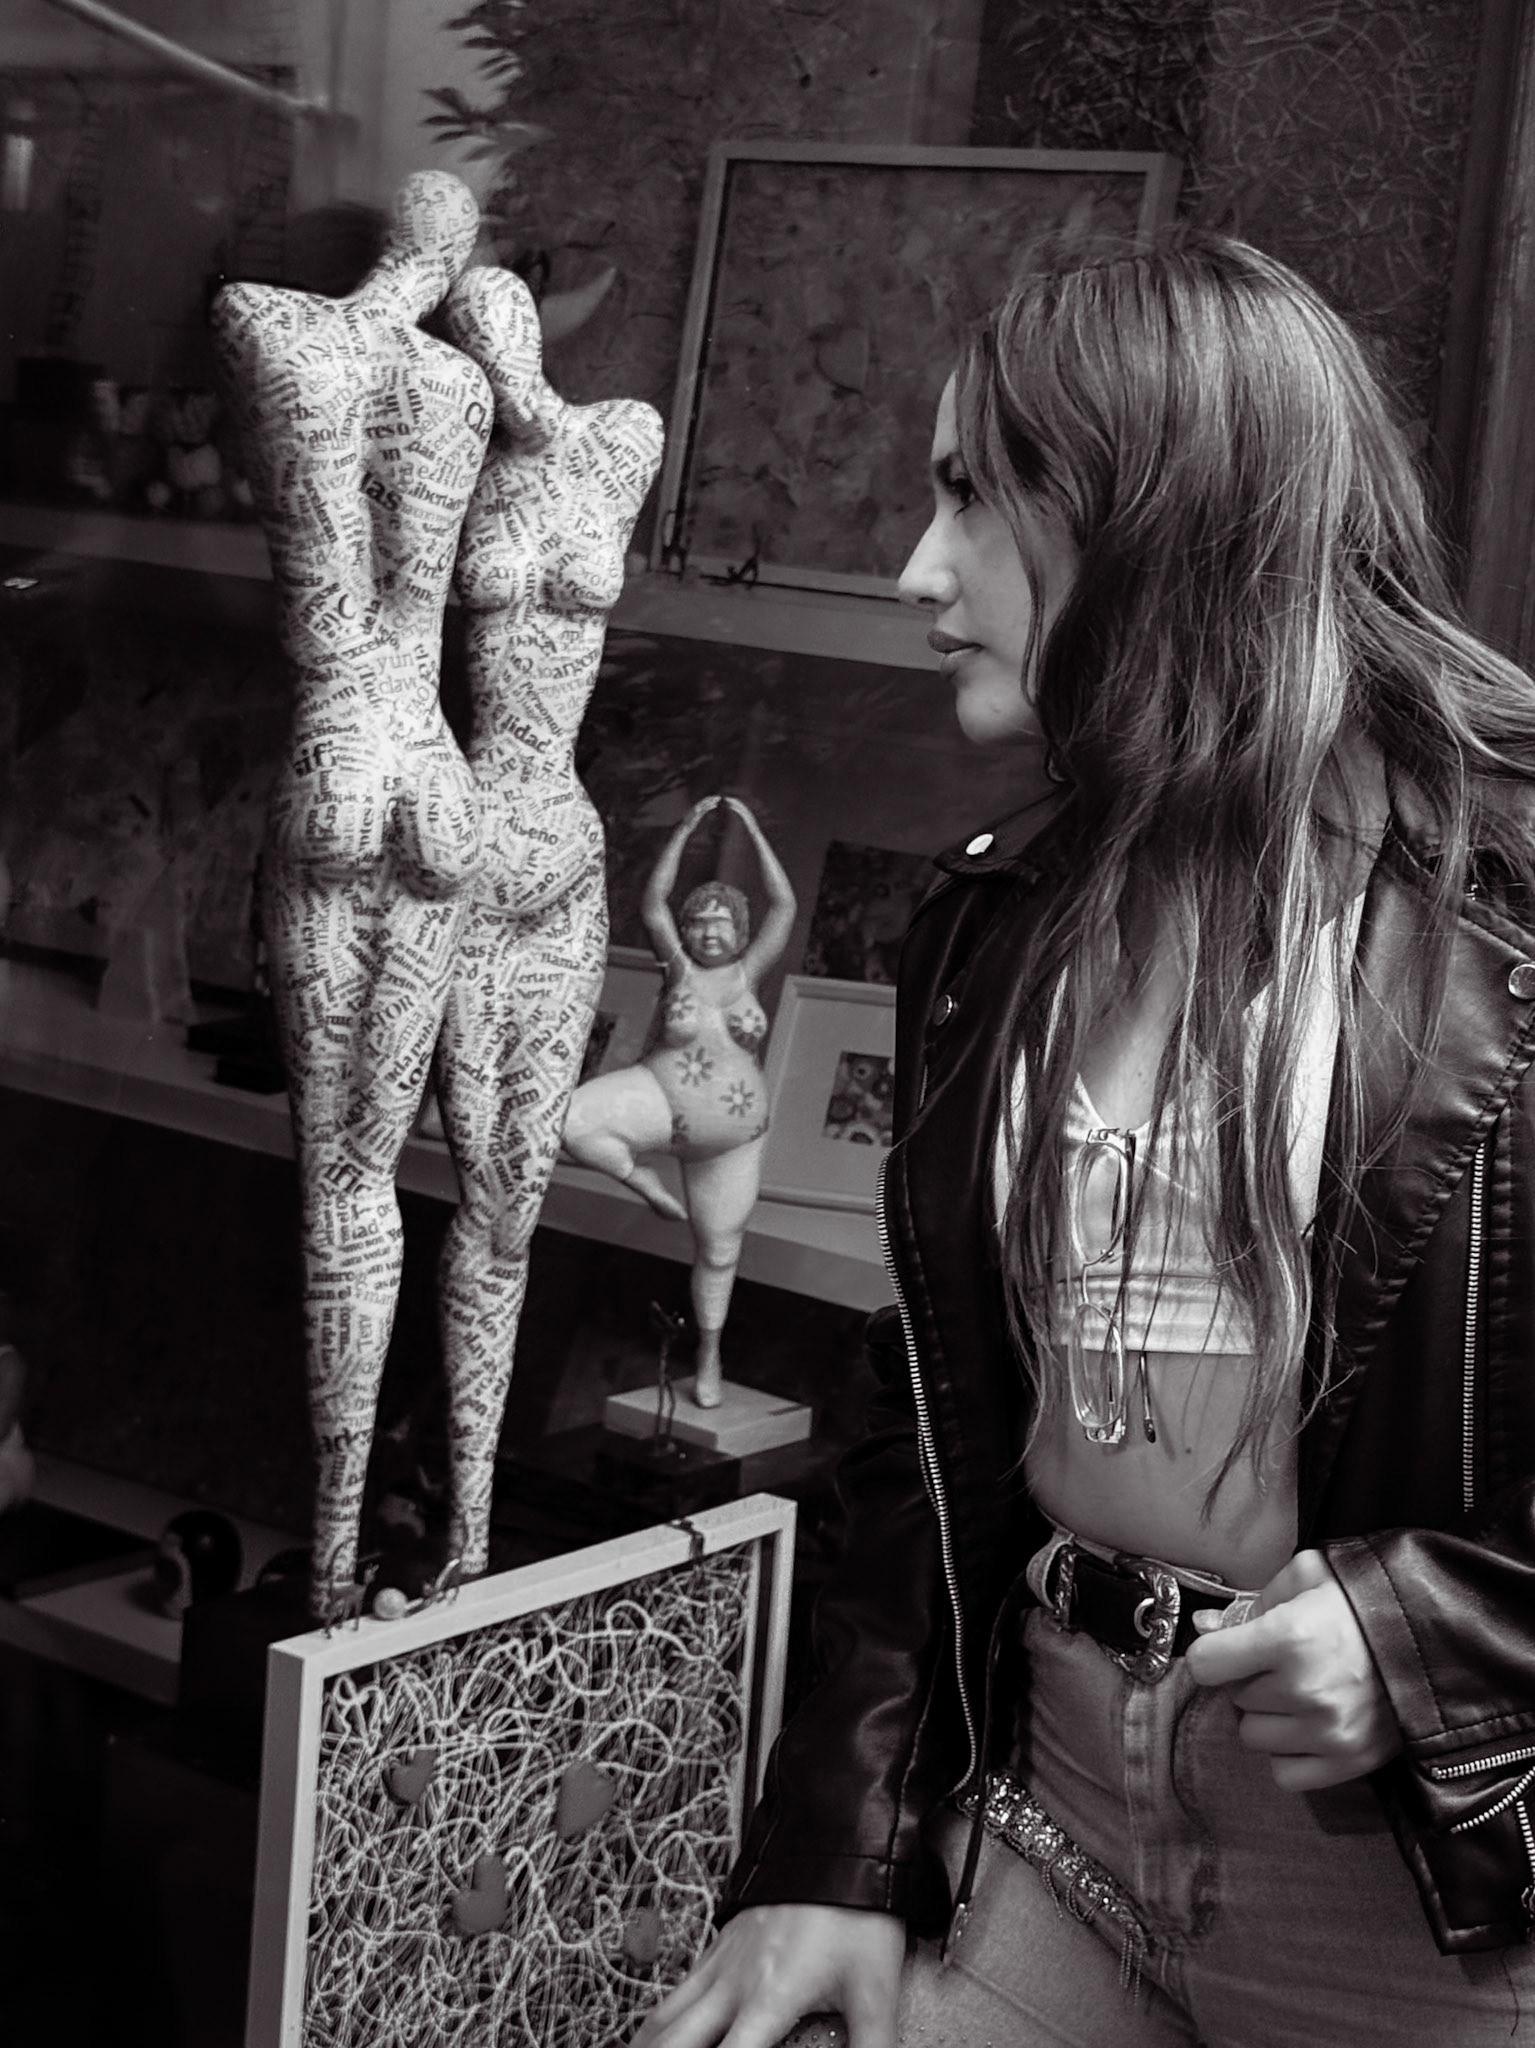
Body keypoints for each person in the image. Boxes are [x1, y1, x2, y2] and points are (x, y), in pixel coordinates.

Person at [633, 228, 1535, 2047]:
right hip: (1050, 1812)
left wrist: (1437, 1633)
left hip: (1403, 1905)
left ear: (1156, 515)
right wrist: (838, 1847)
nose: (916, 567)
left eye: (969, 496)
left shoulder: (1504, 911)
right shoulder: (999, 920)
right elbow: (931, 1417)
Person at [562, 795, 796, 1406]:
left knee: (718, 1252)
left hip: (734, 1137)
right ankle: (640, 1179)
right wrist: (687, 829)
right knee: (572, 1119)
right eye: (699, 922)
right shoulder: (677, 969)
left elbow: (785, 906)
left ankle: (709, 1356)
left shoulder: (750, 974)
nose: (709, 932)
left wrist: (752, 828)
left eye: (722, 922)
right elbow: (653, 902)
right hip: (662, 1102)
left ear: (740, 931)